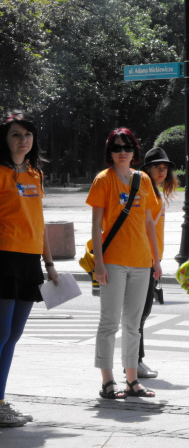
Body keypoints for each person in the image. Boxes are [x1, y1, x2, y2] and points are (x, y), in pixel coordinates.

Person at [87, 128, 162, 399]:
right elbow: (96, 226)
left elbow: (149, 223)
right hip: (113, 262)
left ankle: (132, 381)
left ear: (134, 152)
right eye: (117, 148)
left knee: (134, 324)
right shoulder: (102, 180)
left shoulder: (142, 180)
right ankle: (108, 381)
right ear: (110, 152)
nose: (122, 152)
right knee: (109, 323)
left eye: (127, 147)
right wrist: (99, 264)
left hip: (142, 262)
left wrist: (156, 260)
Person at [0, 111, 59, 427]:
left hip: (29, 262)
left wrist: (49, 263)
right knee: (1, 332)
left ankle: (0, 402)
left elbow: (38, 223)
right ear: (4, 139)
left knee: (14, 335)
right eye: (15, 134)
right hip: (4, 258)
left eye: (27, 135)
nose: (22, 140)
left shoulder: (36, 174)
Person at [136, 147, 179, 379]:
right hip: (145, 258)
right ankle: (135, 362)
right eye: (157, 167)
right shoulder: (145, 192)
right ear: (147, 169)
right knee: (140, 313)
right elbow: (144, 227)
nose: (162, 171)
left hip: (152, 257)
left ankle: (135, 361)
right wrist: (154, 259)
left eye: (165, 168)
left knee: (142, 312)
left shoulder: (156, 192)